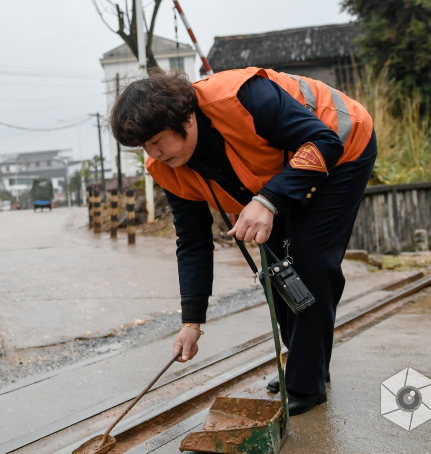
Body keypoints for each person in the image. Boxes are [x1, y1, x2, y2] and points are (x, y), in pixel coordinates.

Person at [109, 68, 376, 416]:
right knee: (276, 269)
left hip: (341, 145)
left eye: (158, 141)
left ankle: (305, 383)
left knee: (309, 259)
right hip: (280, 172)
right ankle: (307, 364)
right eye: (145, 147)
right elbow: (192, 241)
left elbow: (324, 141)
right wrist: (192, 323)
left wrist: (266, 201)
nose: (154, 153)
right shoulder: (167, 167)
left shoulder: (243, 97)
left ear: (186, 118)